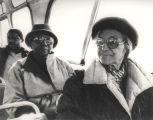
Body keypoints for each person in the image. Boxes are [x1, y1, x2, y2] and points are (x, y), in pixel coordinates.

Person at [57, 17, 153, 120]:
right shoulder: (77, 81)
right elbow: (66, 114)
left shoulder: (146, 83)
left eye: (112, 42)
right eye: (100, 42)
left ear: (127, 46)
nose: (103, 48)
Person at [3, 24, 74, 119]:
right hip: (34, 113)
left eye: (48, 39)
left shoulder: (64, 65)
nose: (44, 43)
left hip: (64, 113)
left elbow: (75, 92)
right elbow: (13, 102)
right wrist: (34, 114)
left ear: (53, 43)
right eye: (38, 39)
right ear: (30, 43)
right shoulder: (18, 67)